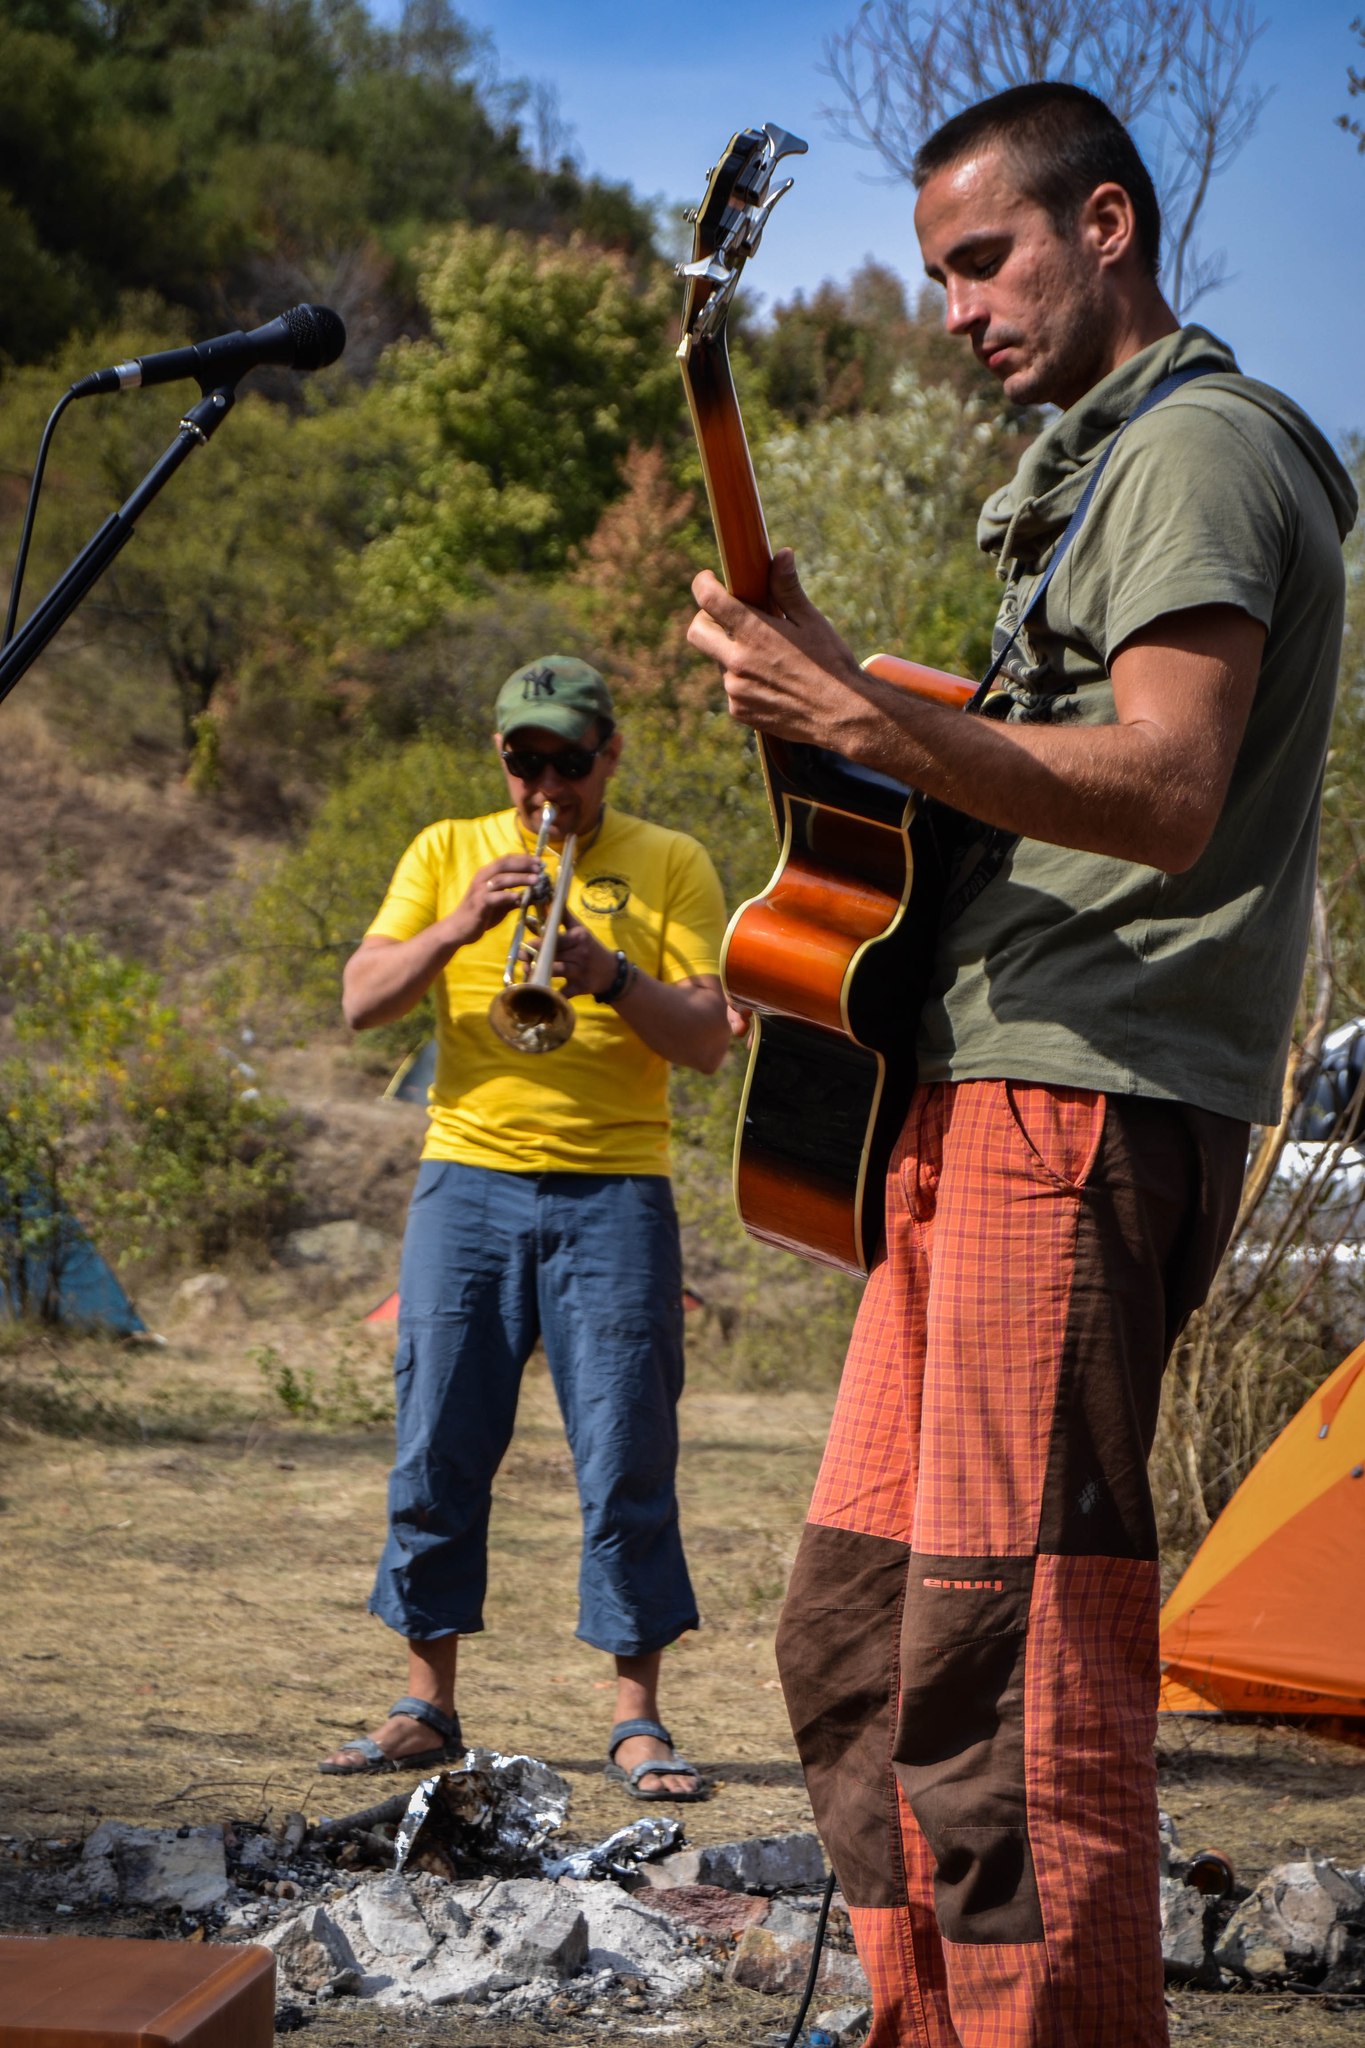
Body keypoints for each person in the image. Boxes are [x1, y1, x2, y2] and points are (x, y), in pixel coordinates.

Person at [688, 82, 1356, 2048]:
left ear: (1109, 224)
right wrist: (853, 702)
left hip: (1079, 1102)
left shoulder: (1200, 453)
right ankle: (921, 2015)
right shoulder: (1089, 483)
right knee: (861, 1637)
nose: (955, 309)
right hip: (969, 1096)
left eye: (983, 259)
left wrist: (878, 736)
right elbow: (1031, 780)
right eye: (934, 276)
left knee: (1012, 1659)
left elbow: (1157, 785)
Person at [320, 654, 730, 1800]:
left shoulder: (671, 862)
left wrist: (607, 973)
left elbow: (706, 1034)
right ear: (501, 755)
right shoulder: (448, 847)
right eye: (523, 758)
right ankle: (425, 1702)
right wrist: (460, 924)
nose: (544, 781)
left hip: (616, 1191)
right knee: (438, 1435)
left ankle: (637, 1717)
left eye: (568, 758)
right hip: (467, 1182)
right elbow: (361, 999)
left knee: (626, 1449)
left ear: (611, 752)